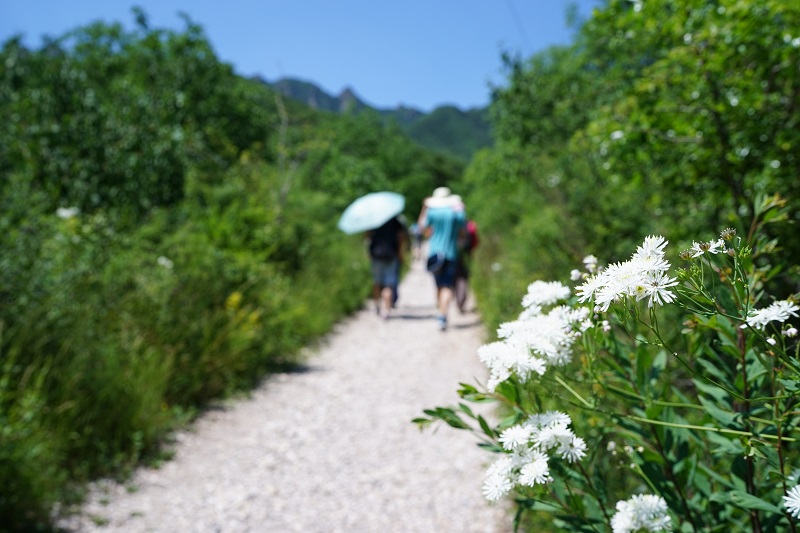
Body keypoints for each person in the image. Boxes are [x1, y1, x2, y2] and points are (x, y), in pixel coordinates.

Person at [418, 186, 466, 331]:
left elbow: (421, 227)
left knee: (438, 285)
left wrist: (424, 208)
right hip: (451, 253)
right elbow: (463, 228)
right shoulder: (455, 212)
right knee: (447, 285)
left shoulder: (432, 212)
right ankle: (443, 314)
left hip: (434, 254)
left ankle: (440, 311)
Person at [367, 215, 405, 320]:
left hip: (376, 254)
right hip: (391, 255)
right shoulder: (395, 221)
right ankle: (386, 309)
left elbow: (368, 236)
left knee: (377, 281)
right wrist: (399, 253)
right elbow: (400, 237)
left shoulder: (373, 220)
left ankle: (376, 304)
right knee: (389, 284)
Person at [455, 218, 479, 313]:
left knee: (455, 278)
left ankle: (458, 300)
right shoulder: (468, 224)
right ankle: (461, 300)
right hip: (466, 255)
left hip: (453, 255)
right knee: (463, 278)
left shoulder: (452, 223)